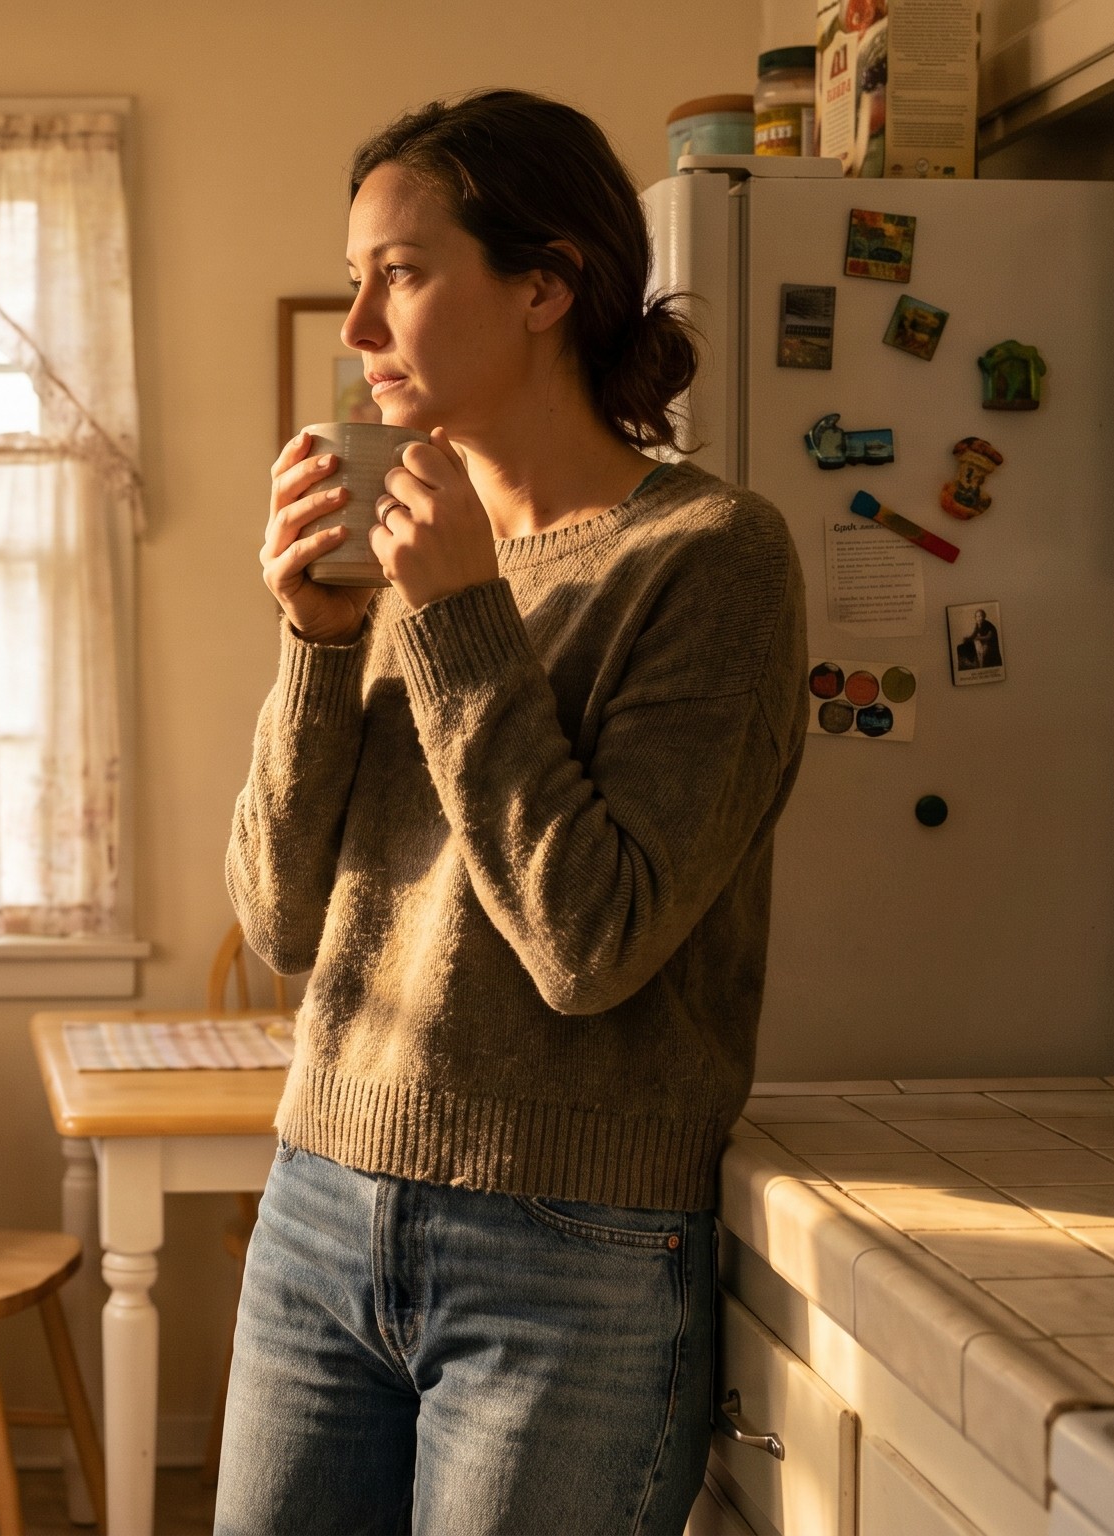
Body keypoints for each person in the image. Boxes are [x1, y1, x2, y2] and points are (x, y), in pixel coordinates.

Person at [220, 90, 808, 1535]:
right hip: (317, 1204)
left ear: (546, 285)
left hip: (574, 1256)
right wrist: (316, 645)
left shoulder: (710, 557)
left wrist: (458, 619)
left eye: (401, 274)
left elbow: (589, 943)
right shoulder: (410, 555)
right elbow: (280, 920)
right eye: (355, 278)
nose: (360, 325)